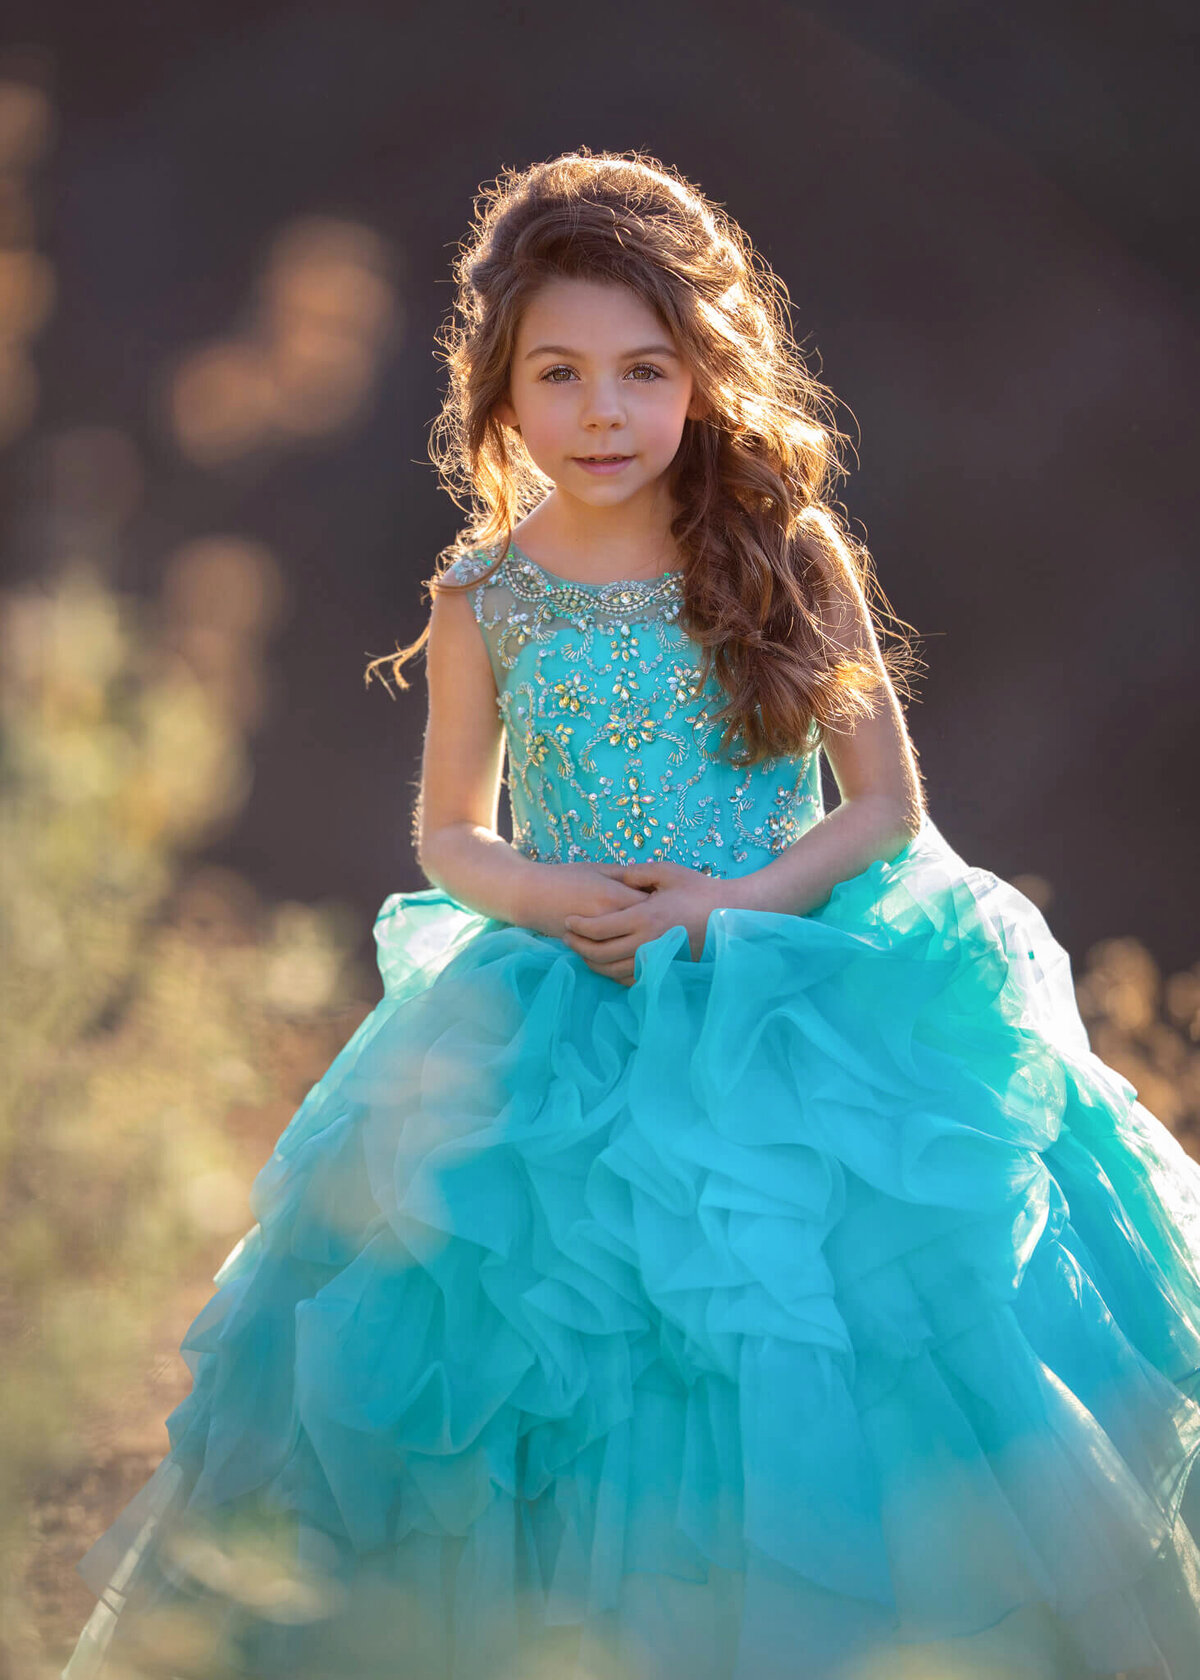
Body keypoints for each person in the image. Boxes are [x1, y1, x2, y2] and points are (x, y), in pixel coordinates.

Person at [63, 148, 1200, 1680]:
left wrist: (732, 904)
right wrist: (545, 890)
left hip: (797, 999)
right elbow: (451, 831)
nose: (602, 411)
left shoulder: (791, 554)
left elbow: (885, 810)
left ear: (705, 374)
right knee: (538, 1364)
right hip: (557, 1013)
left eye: (643, 371)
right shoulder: (487, 595)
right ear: (500, 392)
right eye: (561, 373)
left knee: (825, 1347)